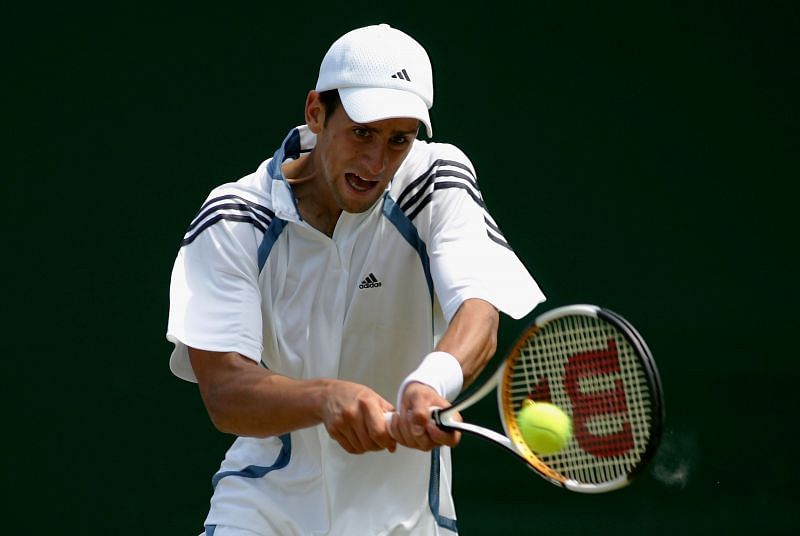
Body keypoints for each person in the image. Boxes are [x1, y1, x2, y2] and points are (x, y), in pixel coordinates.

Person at [167, 23, 545, 536]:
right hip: (263, 512)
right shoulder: (236, 218)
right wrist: (325, 397)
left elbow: (478, 309)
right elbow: (226, 391)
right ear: (316, 113)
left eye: (399, 140)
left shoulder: (436, 182)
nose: (376, 162)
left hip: (406, 522)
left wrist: (431, 381)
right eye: (362, 133)